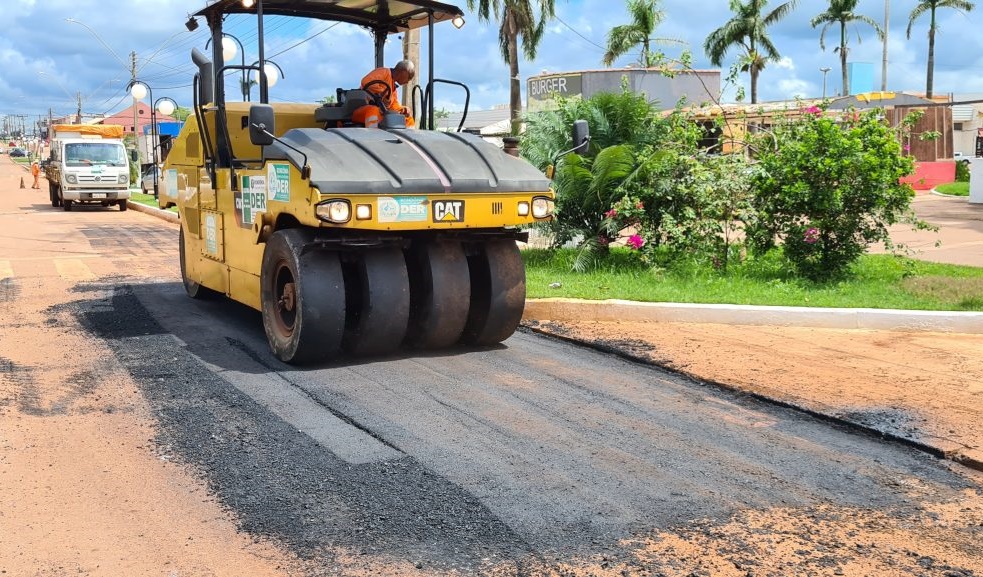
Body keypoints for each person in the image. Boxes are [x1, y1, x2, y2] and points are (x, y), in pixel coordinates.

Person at [357, 60, 416, 128]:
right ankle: (373, 136)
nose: (407, 82)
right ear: (403, 72)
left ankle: (408, 138)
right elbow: (365, 82)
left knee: (408, 118)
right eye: (408, 78)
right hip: (362, 109)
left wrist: (402, 109)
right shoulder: (383, 72)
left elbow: (393, 105)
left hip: (380, 113)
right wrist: (383, 93)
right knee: (373, 110)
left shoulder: (393, 88)